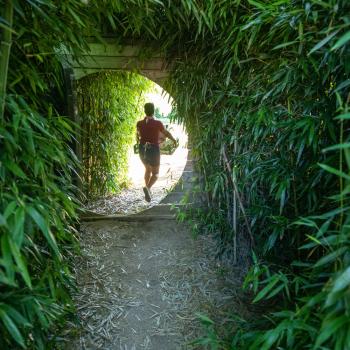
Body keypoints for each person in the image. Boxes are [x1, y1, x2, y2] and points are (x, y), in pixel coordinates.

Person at [136, 102, 177, 202]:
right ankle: (148, 188)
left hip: (142, 149)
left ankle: (147, 190)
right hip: (153, 150)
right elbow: (166, 133)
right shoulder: (158, 123)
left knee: (147, 169)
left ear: (144, 111)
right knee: (155, 174)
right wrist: (174, 140)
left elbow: (138, 136)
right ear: (153, 111)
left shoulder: (139, 123)